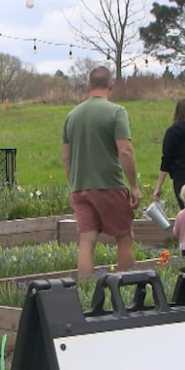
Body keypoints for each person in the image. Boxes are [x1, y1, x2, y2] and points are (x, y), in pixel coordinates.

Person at [62, 66, 140, 278]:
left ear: (88, 86)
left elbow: (66, 157)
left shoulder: (71, 116)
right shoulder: (117, 112)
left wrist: (74, 182)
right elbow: (125, 151)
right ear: (111, 85)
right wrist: (133, 185)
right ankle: (126, 288)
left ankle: (86, 291)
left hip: (80, 187)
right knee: (124, 237)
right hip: (109, 185)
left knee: (87, 241)